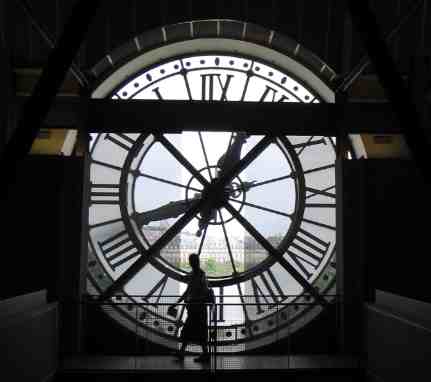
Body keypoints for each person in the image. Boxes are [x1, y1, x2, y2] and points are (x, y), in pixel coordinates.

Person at [171, 253, 210, 363]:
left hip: (193, 307)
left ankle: (182, 352)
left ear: (191, 262)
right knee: (200, 332)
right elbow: (201, 290)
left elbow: (188, 291)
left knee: (188, 330)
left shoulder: (193, 274)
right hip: (199, 308)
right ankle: (204, 354)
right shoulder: (201, 274)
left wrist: (176, 303)